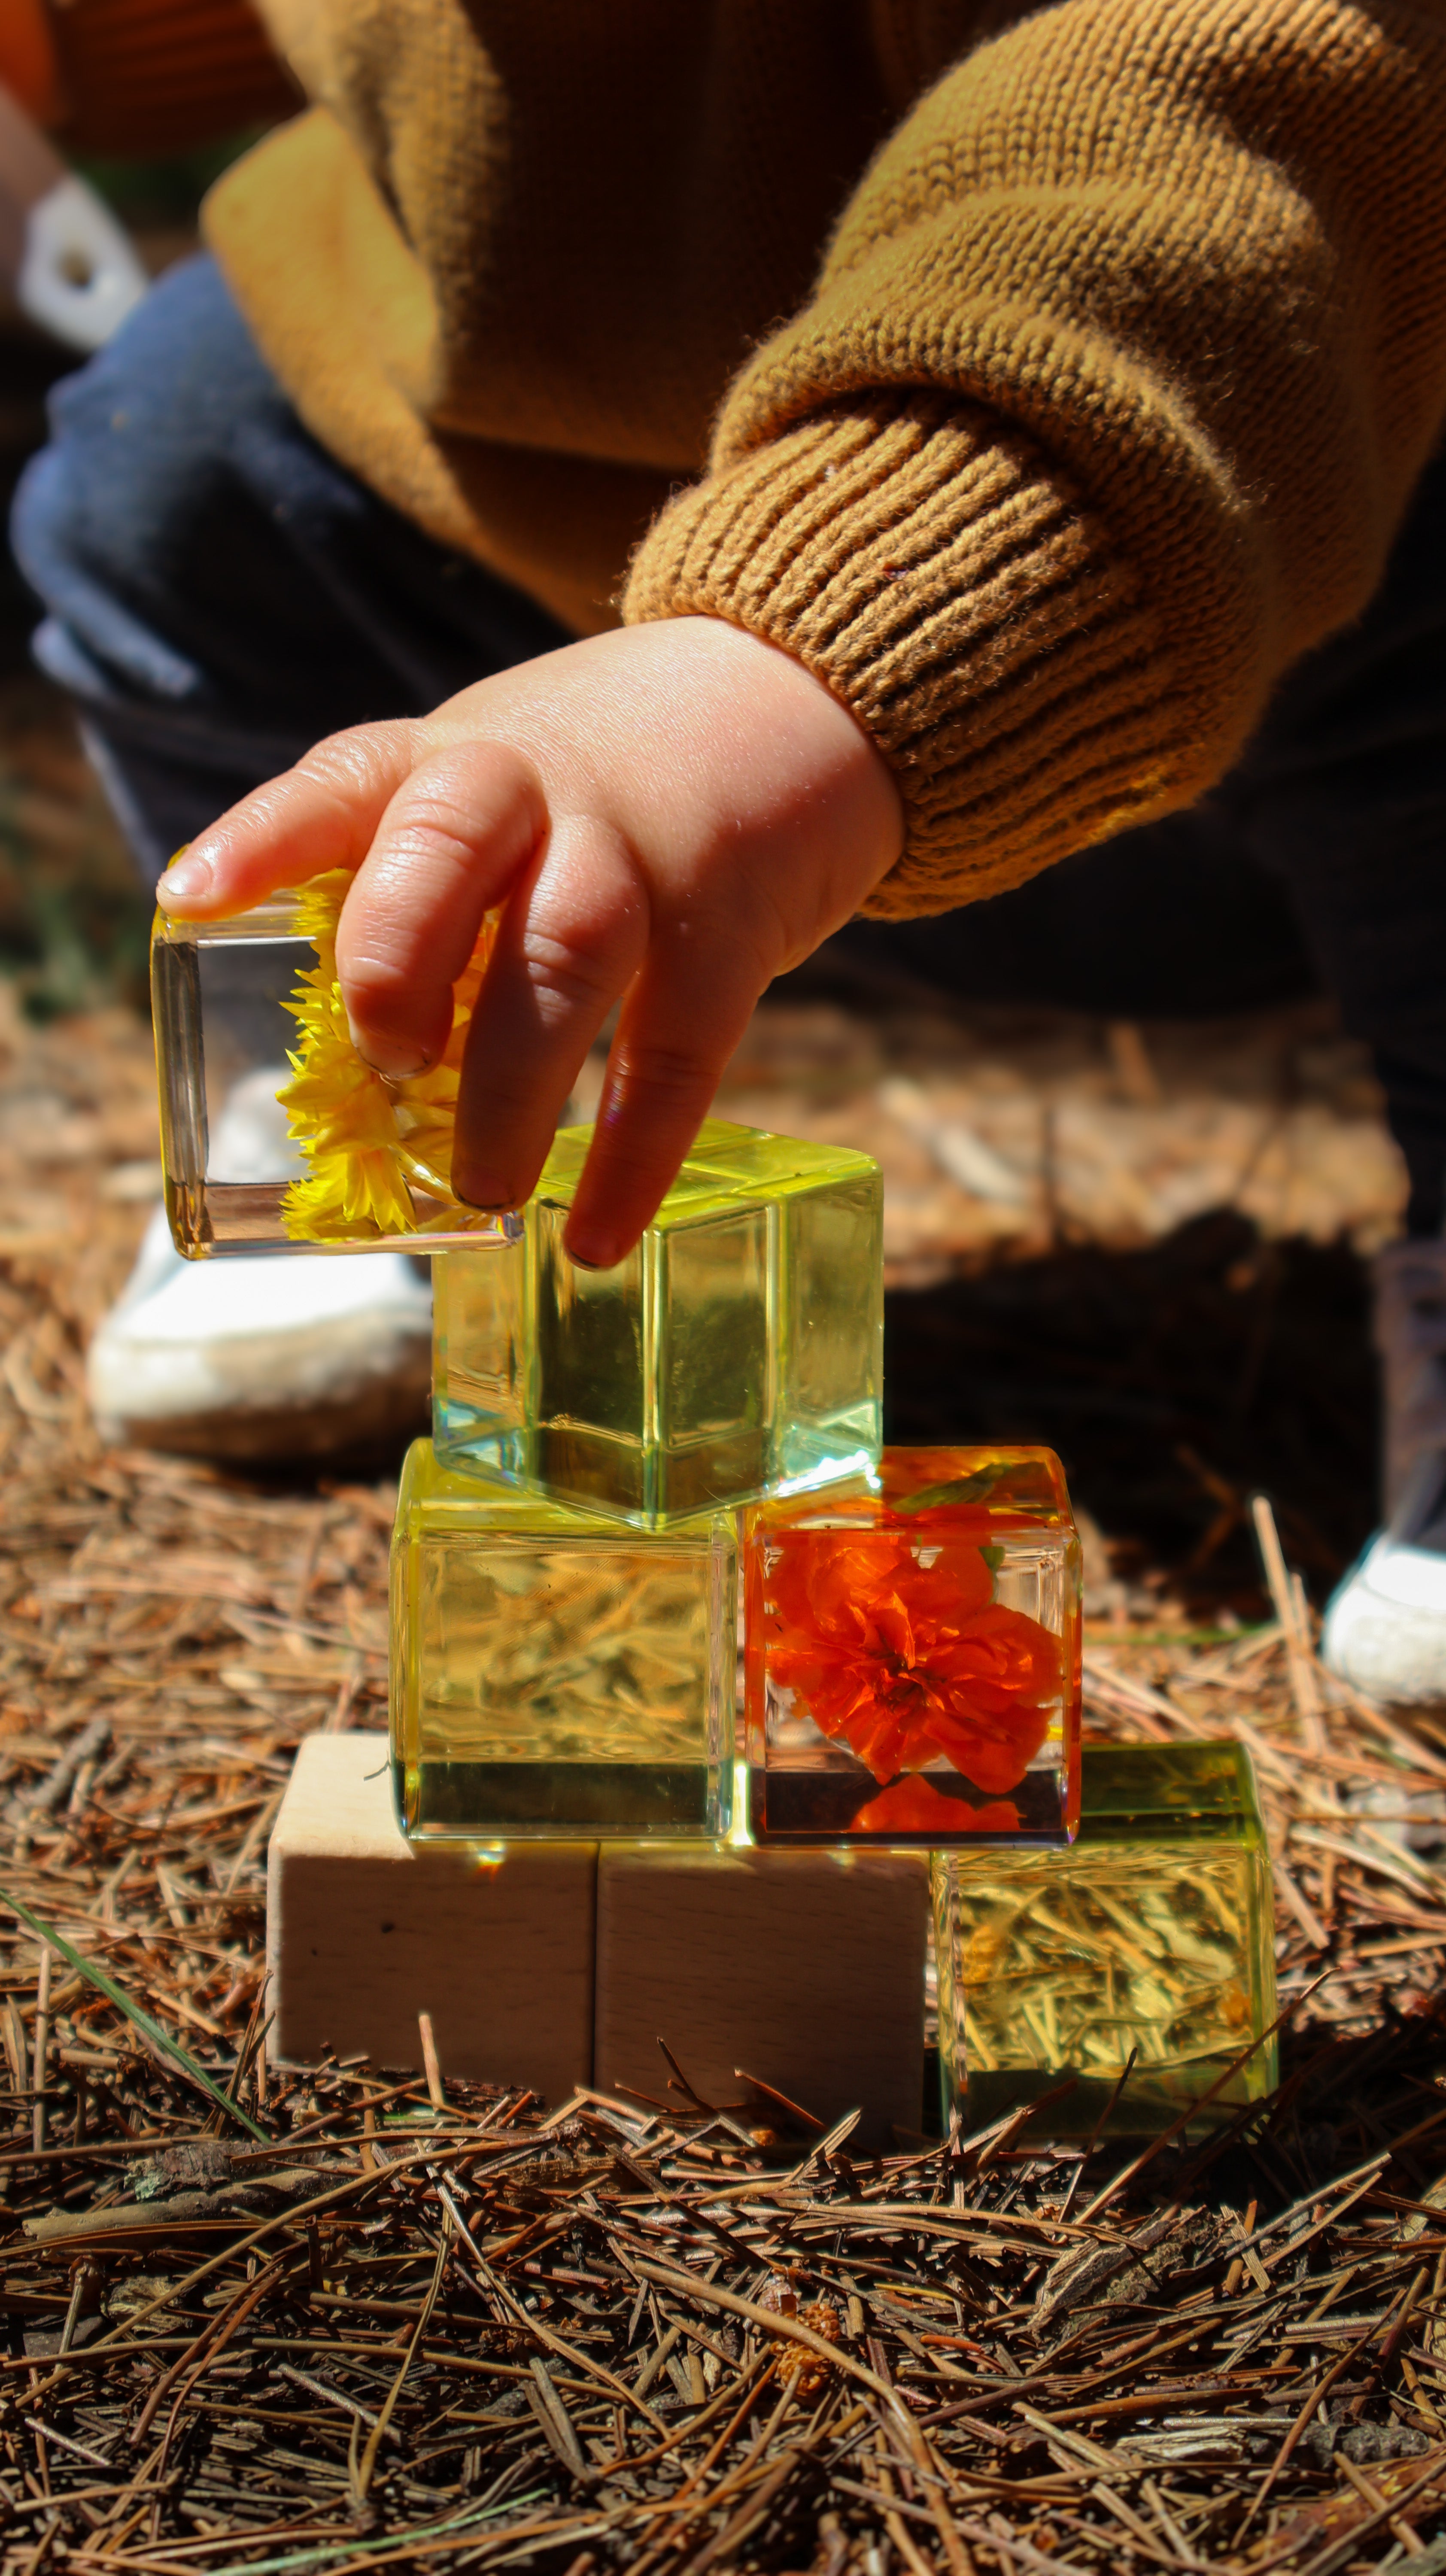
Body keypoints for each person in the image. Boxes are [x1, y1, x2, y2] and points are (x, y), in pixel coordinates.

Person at [10, 0, 1446, 1696]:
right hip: (565, 606)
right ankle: (338, 1118)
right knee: (177, 438)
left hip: (1178, 549)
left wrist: (816, 638)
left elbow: (1232, 126)